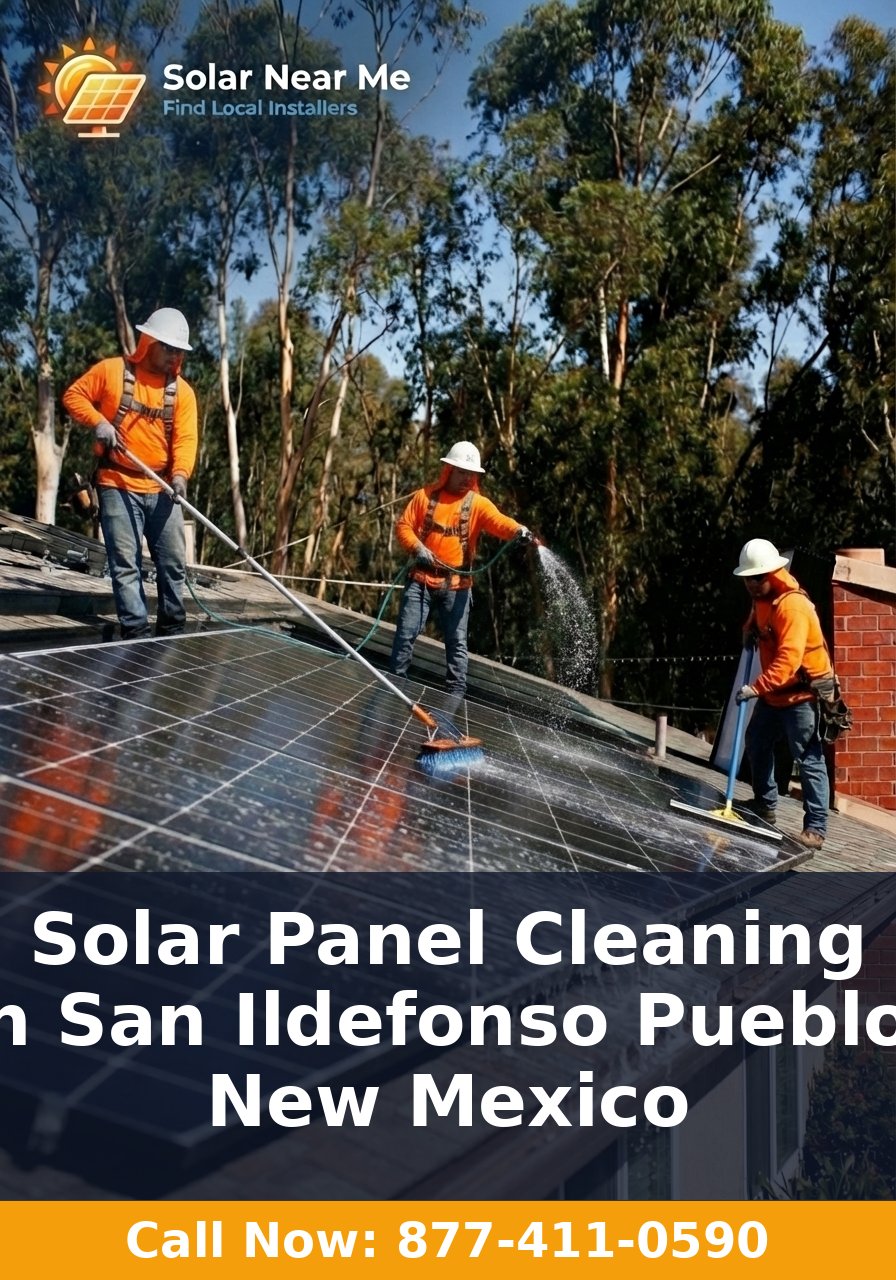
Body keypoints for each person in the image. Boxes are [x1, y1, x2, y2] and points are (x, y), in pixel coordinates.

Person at [63, 308, 198, 639]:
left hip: (163, 488)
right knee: (126, 563)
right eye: (168, 347)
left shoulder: (182, 393)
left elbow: (185, 439)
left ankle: (171, 632)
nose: (174, 355)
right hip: (117, 483)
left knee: (172, 565)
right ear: (148, 342)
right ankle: (137, 636)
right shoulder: (111, 372)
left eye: (179, 350)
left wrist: (180, 476)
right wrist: (99, 422)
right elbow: (73, 396)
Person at [390, 441, 534, 696]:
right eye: (461, 472)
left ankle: (456, 696)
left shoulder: (477, 504)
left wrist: (518, 530)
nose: (466, 478)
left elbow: (500, 522)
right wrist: (417, 548)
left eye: (471, 473)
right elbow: (404, 526)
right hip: (421, 579)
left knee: (456, 644)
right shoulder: (425, 496)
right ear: (448, 470)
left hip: (457, 586)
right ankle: (395, 686)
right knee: (406, 633)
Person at [732, 538, 833, 850]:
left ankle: (815, 828)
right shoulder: (762, 596)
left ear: (770, 574)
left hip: (800, 695)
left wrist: (755, 688)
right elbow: (757, 618)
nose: (749, 584)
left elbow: (788, 662)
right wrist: (748, 629)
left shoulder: (793, 607)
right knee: (758, 741)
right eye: (747, 578)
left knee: (808, 757)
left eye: (755, 578)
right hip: (776, 694)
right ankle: (765, 804)